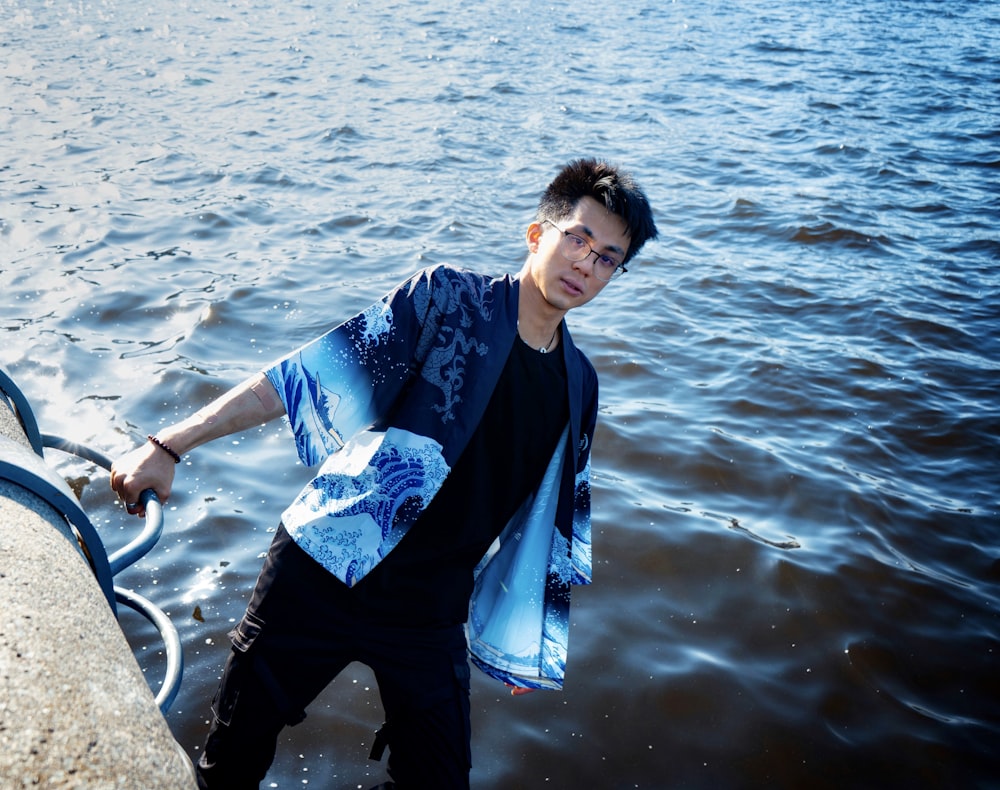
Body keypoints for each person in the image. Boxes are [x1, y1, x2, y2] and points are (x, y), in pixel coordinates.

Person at [111, 158, 658, 789]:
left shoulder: (578, 384)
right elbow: (309, 377)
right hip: (322, 568)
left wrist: (518, 637)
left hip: (429, 612)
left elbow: (548, 520)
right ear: (537, 235)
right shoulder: (448, 299)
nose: (586, 265)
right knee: (231, 763)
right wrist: (169, 444)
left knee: (439, 778)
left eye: (608, 258)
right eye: (578, 239)